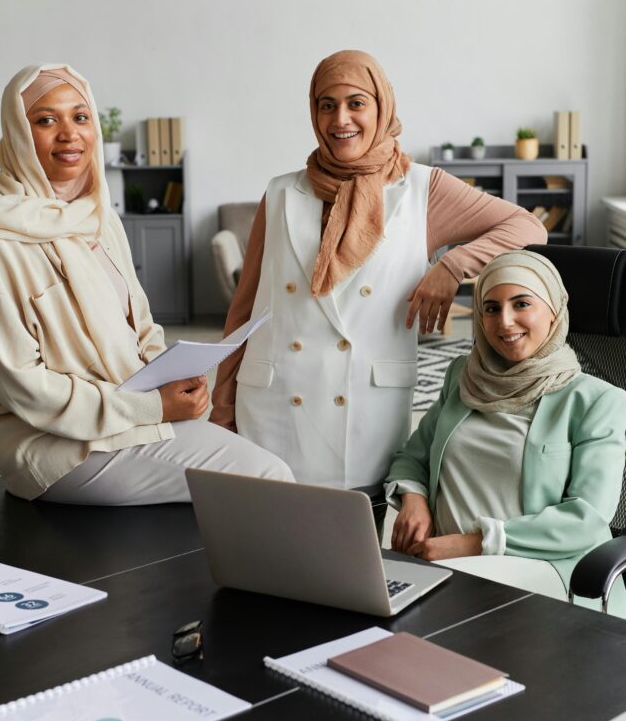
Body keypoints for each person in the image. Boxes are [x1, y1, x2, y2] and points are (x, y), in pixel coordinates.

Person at [0, 64, 292, 504]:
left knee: (260, 462)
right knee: (269, 475)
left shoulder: (98, 218)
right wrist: (153, 407)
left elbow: (142, 323)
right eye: (46, 120)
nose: (69, 134)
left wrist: (174, 380)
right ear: (17, 132)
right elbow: (22, 386)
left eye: (80, 116)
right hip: (57, 450)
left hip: (128, 418)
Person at [210, 50, 546, 488]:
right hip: (274, 405)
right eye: (326, 105)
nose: (340, 119)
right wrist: (222, 405)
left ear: (381, 105)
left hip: (362, 406)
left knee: (355, 542)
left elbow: (528, 226)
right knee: (268, 543)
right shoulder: (281, 193)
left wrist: (454, 264)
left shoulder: (422, 190)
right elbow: (245, 308)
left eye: (356, 103)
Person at [387, 250, 626, 615]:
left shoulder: (596, 401)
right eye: (492, 308)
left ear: (554, 311)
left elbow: (587, 521)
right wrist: (414, 501)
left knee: (407, 621)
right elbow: (412, 457)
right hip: (446, 562)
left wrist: (474, 544)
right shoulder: (462, 376)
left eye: (522, 304)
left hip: (542, 567)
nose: (505, 322)